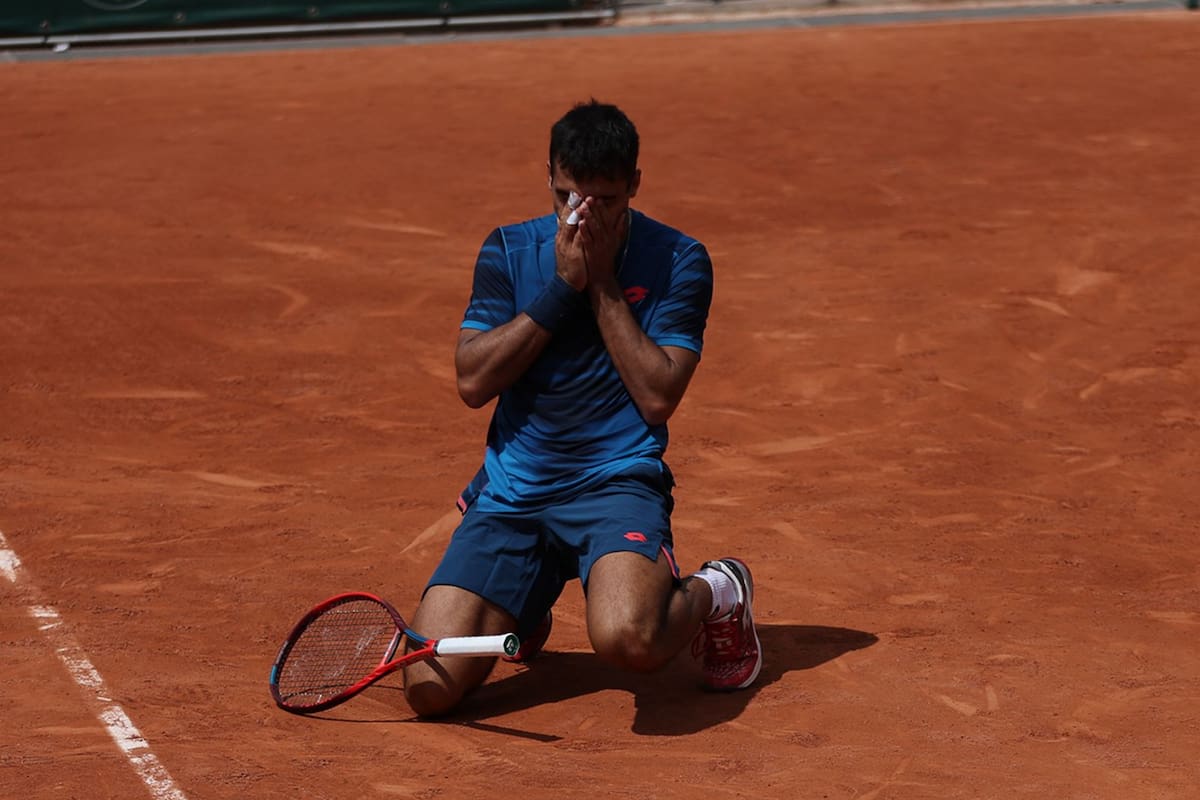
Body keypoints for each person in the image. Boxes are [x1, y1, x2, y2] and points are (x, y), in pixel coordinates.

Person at [403, 100, 761, 717]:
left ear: (635, 186)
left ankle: (719, 590)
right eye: (568, 196)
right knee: (428, 690)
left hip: (614, 481)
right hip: (514, 493)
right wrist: (559, 287)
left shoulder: (679, 259)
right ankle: (526, 599)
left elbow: (658, 396)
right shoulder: (509, 250)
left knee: (629, 639)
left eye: (605, 201)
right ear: (548, 175)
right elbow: (472, 381)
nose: (582, 216)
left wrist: (598, 282)